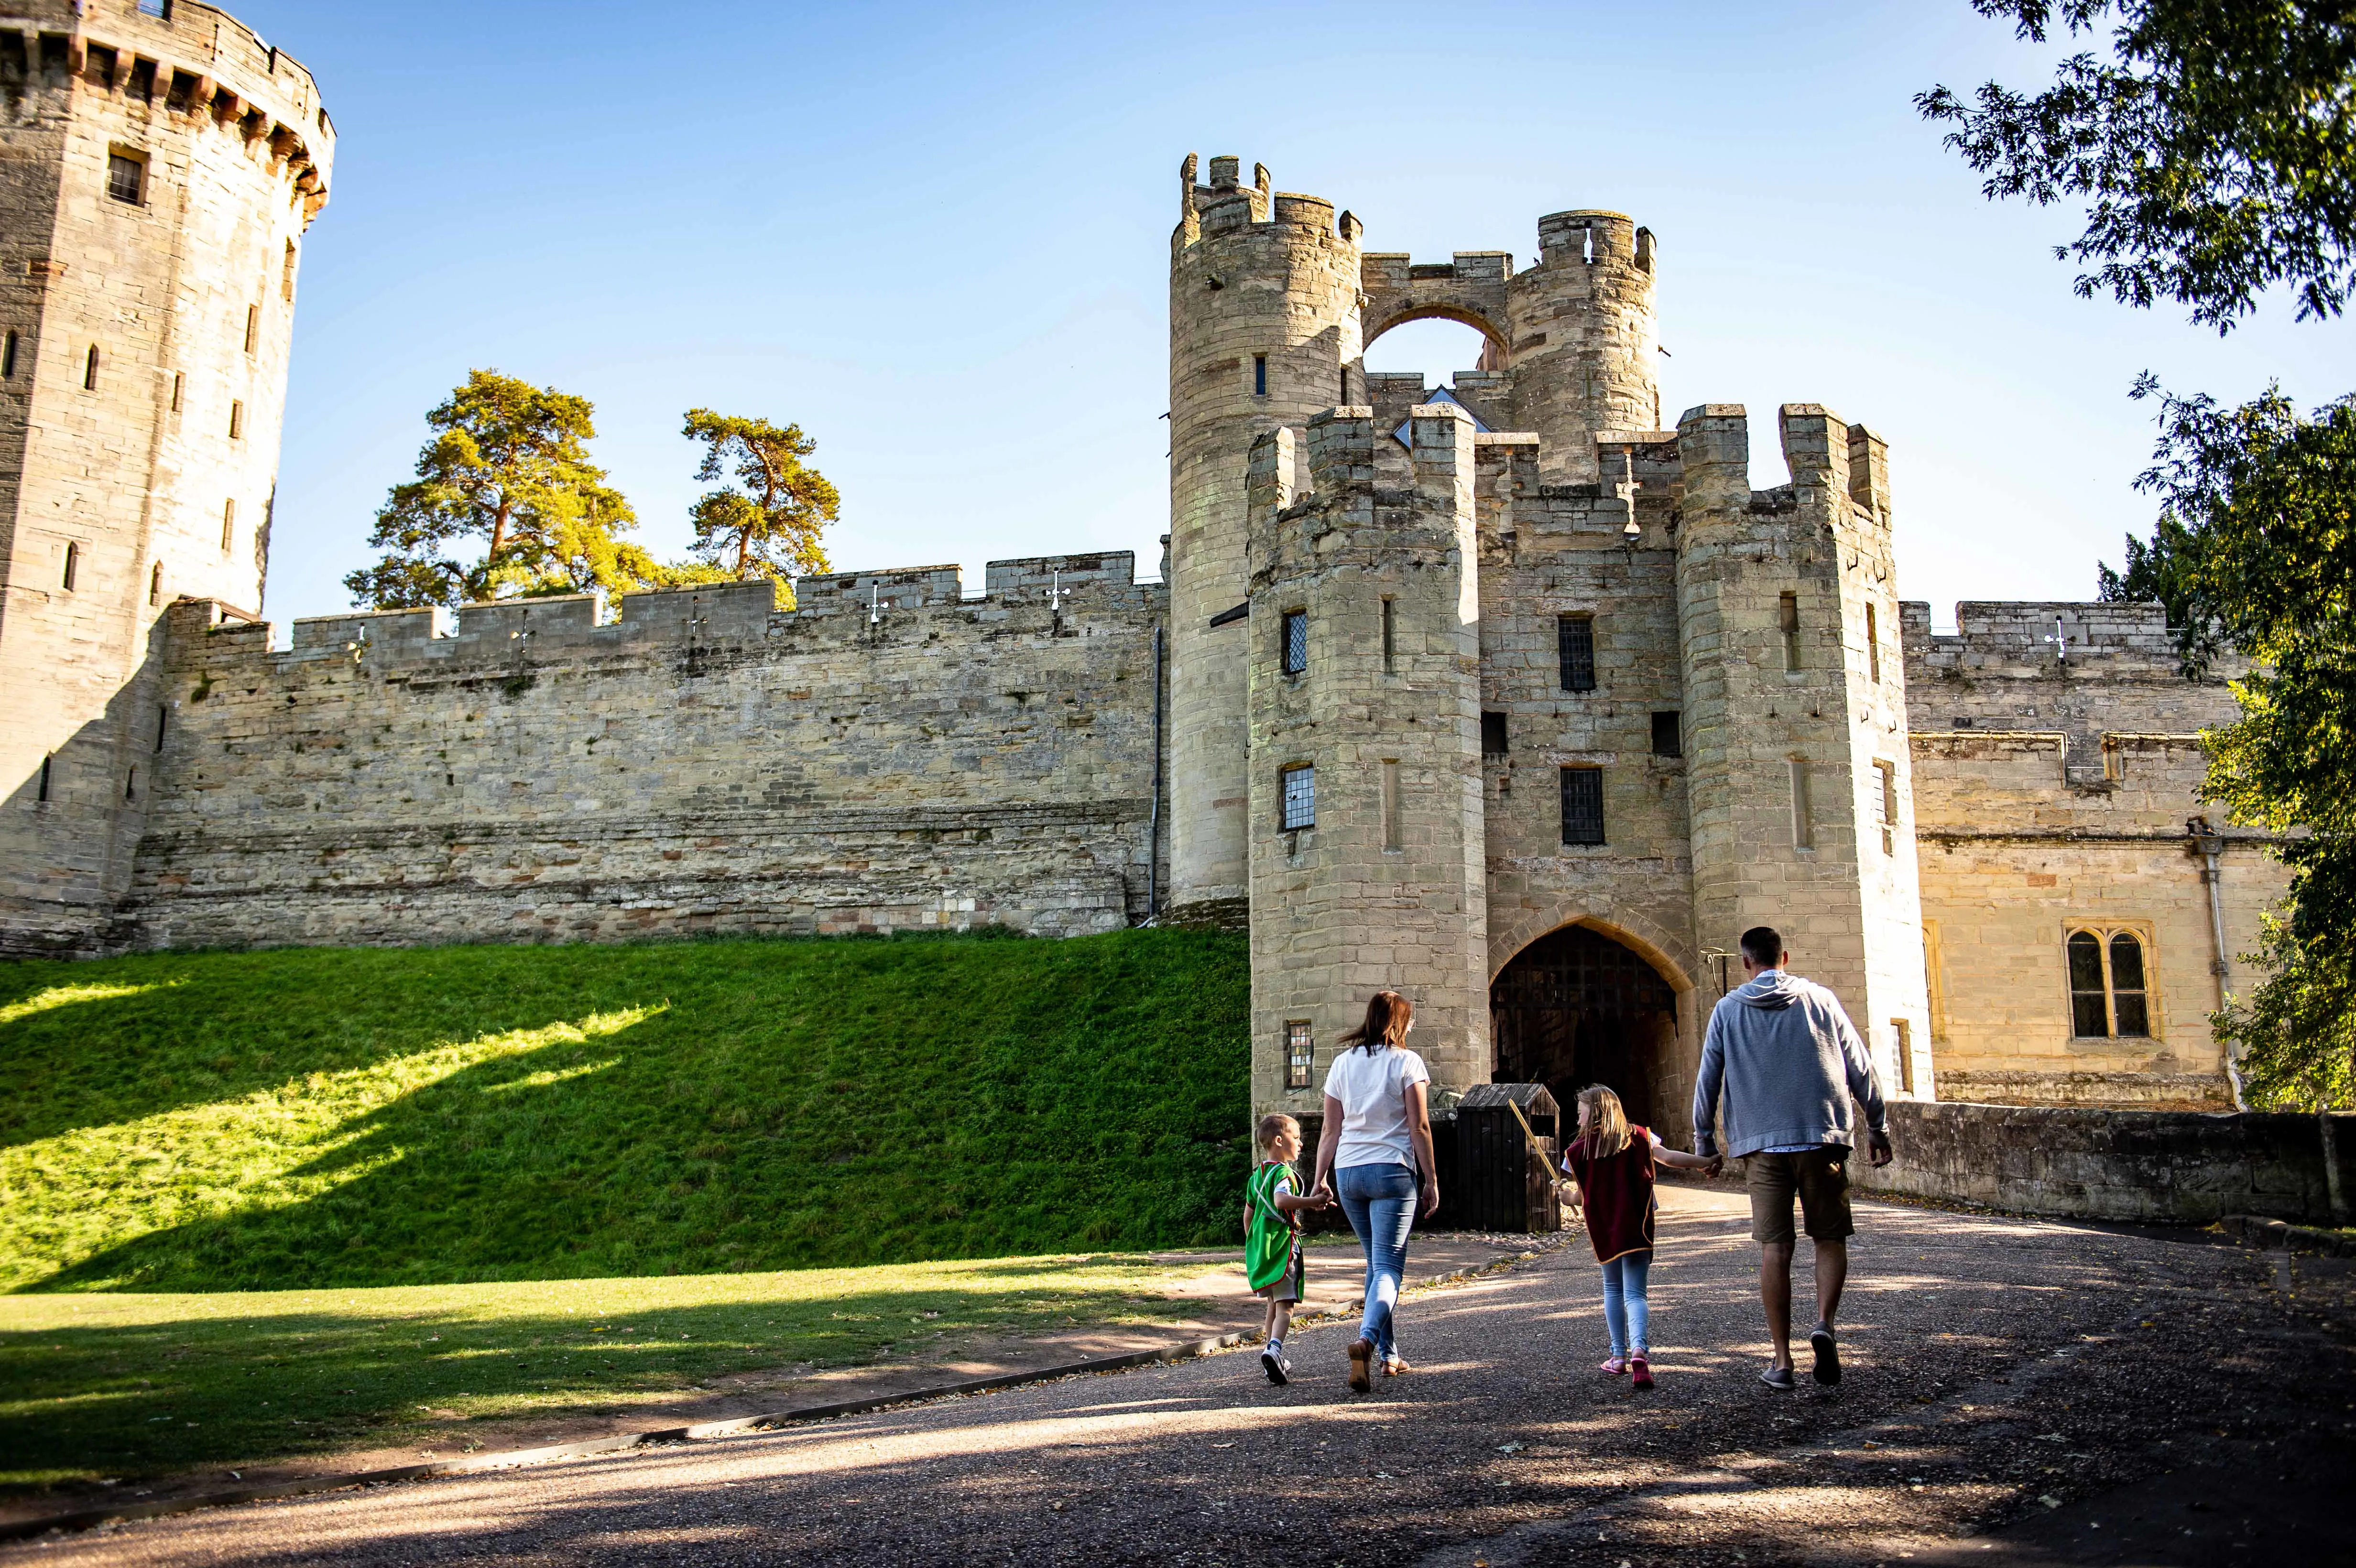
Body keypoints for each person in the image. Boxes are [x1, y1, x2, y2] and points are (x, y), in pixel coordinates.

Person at [1691, 925, 1894, 1390]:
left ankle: (1782, 1361)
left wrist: (1704, 1143)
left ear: (1745, 962)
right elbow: (1858, 1064)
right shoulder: (1819, 1000)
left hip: (1762, 1146)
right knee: (1829, 1238)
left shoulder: (1727, 1010)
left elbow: (1708, 1080)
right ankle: (1823, 1322)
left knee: (1775, 1249)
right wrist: (1877, 1126)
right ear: (1784, 957)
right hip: (1820, 1137)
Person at [1309, 990, 1439, 1394]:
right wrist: (1432, 1179)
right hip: (1392, 1172)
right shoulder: (1407, 1062)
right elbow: (1419, 1127)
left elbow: (1330, 1129)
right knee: (1388, 1267)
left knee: (1375, 1263)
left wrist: (1319, 1178)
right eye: (1411, 1020)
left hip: (1349, 1171)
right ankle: (1366, 1340)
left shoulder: (1342, 1064)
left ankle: (1389, 1356)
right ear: (1401, 1022)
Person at [1558, 1084, 1721, 1391]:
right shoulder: (1640, 1136)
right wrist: (1704, 1163)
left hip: (1605, 1229)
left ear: (1595, 1114)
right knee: (1636, 1293)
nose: (1578, 1122)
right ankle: (1639, 1353)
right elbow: (1669, 1158)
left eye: (1581, 1115)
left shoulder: (1578, 1151)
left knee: (1612, 1288)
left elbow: (1582, 1196)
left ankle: (1618, 1356)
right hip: (1637, 1224)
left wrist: (1567, 1199)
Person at [1243, 1112, 1326, 1385]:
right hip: (1282, 1249)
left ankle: (1270, 1356)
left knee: (1272, 1304)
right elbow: (1280, 1201)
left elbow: (1248, 1217)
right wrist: (1312, 1201)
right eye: (1297, 1138)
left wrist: (1255, 1244)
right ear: (1279, 1141)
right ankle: (1275, 1348)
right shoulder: (1283, 1173)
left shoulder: (1256, 1177)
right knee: (1286, 1306)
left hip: (1262, 1251)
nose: (1301, 1144)